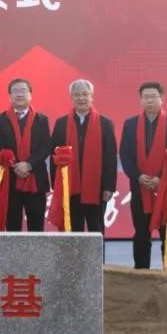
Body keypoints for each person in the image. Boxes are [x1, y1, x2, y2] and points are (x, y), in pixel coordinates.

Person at [119, 81, 167, 269]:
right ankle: (141, 274)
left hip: (166, 190)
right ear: (140, 100)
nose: (150, 100)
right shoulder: (130, 124)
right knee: (141, 233)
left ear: (162, 98)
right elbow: (125, 155)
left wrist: (161, 179)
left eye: (153, 96)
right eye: (146, 97)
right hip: (139, 187)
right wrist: (138, 176)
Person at [49, 79, 118, 233]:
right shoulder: (61, 123)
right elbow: (54, 155)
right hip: (69, 185)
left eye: (85, 94)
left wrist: (109, 186)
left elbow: (110, 158)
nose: (81, 98)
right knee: (73, 229)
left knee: (96, 228)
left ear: (92, 96)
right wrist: (56, 185)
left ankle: (97, 251)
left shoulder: (105, 123)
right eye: (77, 95)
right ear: (71, 97)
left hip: (96, 187)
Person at [0, 78, 50, 231]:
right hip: (10, 180)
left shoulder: (42, 120)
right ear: (9, 96)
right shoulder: (0, 119)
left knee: (36, 228)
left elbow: (45, 147)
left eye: (23, 91)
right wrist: (15, 166)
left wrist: (28, 164)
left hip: (36, 180)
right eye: (15, 91)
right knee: (12, 228)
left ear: (30, 95)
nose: (19, 94)